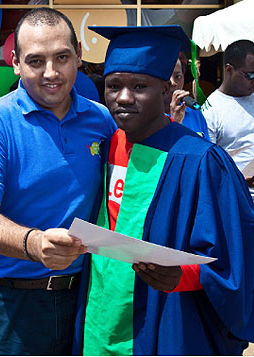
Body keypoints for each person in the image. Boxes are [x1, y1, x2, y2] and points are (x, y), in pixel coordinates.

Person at [72, 25, 254, 356]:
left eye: (139, 86)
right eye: (113, 86)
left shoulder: (200, 160)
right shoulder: (107, 145)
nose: (123, 97)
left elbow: (236, 254)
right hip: (101, 308)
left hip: (167, 314)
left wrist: (184, 275)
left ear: (166, 87)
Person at [0, 8, 116, 356]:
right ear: (15, 63)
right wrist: (34, 243)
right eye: (35, 61)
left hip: (84, 296)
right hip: (7, 307)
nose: (51, 73)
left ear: (78, 56)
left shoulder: (101, 120)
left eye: (62, 57)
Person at [202, 40, 254, 199]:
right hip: (237, 201)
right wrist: (239, 180)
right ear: (229, 70)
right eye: (250, 75)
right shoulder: (211, 112)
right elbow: (206, 166)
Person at [164, 52, 210, 140]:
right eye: (166, 77)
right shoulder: (149, 118)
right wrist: (175, 123)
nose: (173, 83)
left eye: (178, 76)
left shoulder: (195, 113)